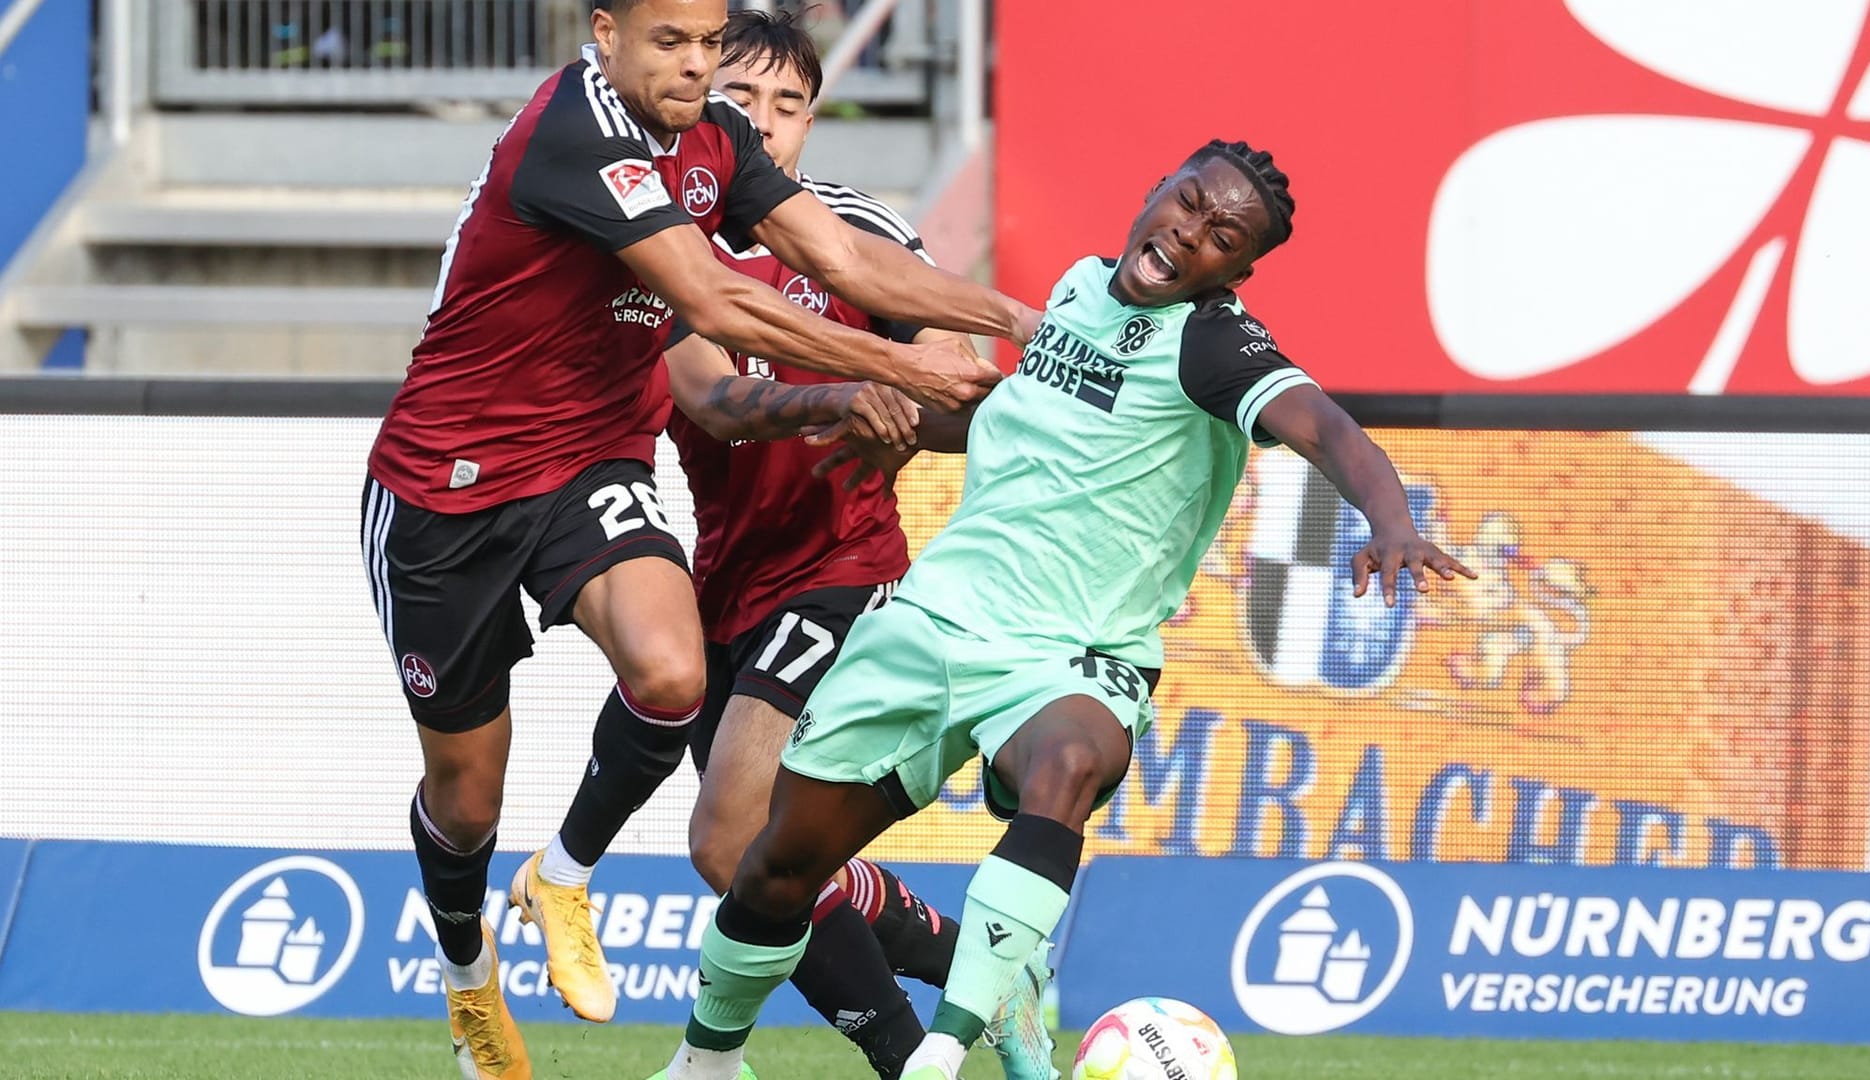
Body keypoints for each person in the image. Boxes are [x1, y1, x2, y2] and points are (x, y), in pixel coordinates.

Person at [650, 139, 1477, 1080]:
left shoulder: (1212, 344)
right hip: (934, 620)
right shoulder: (1079, 289)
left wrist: (1393, 519)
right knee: (778, 865)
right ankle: (704, 1061)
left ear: (1237, 273)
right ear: (1154, 187)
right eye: (1189, 201)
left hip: (1072, 654)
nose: (1190, 233)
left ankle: (947, 1050)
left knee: (1073, 757)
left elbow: (1324, 425)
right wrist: (910, 424)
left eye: (1222, 235)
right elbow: (1026, 417)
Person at [359, 0, 1040, 1076]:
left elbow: (850, 263)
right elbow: (718, 308)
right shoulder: (576, 134)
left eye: (708, 43)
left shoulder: (716, 150)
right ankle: (467, 978)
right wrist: (892, 373)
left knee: (674, 688)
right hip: (450, 492)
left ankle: (577, 882)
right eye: (672, 43)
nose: (697, 69)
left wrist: (1020, 321)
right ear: (605, 34)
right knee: (467, 793)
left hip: (601, 474)